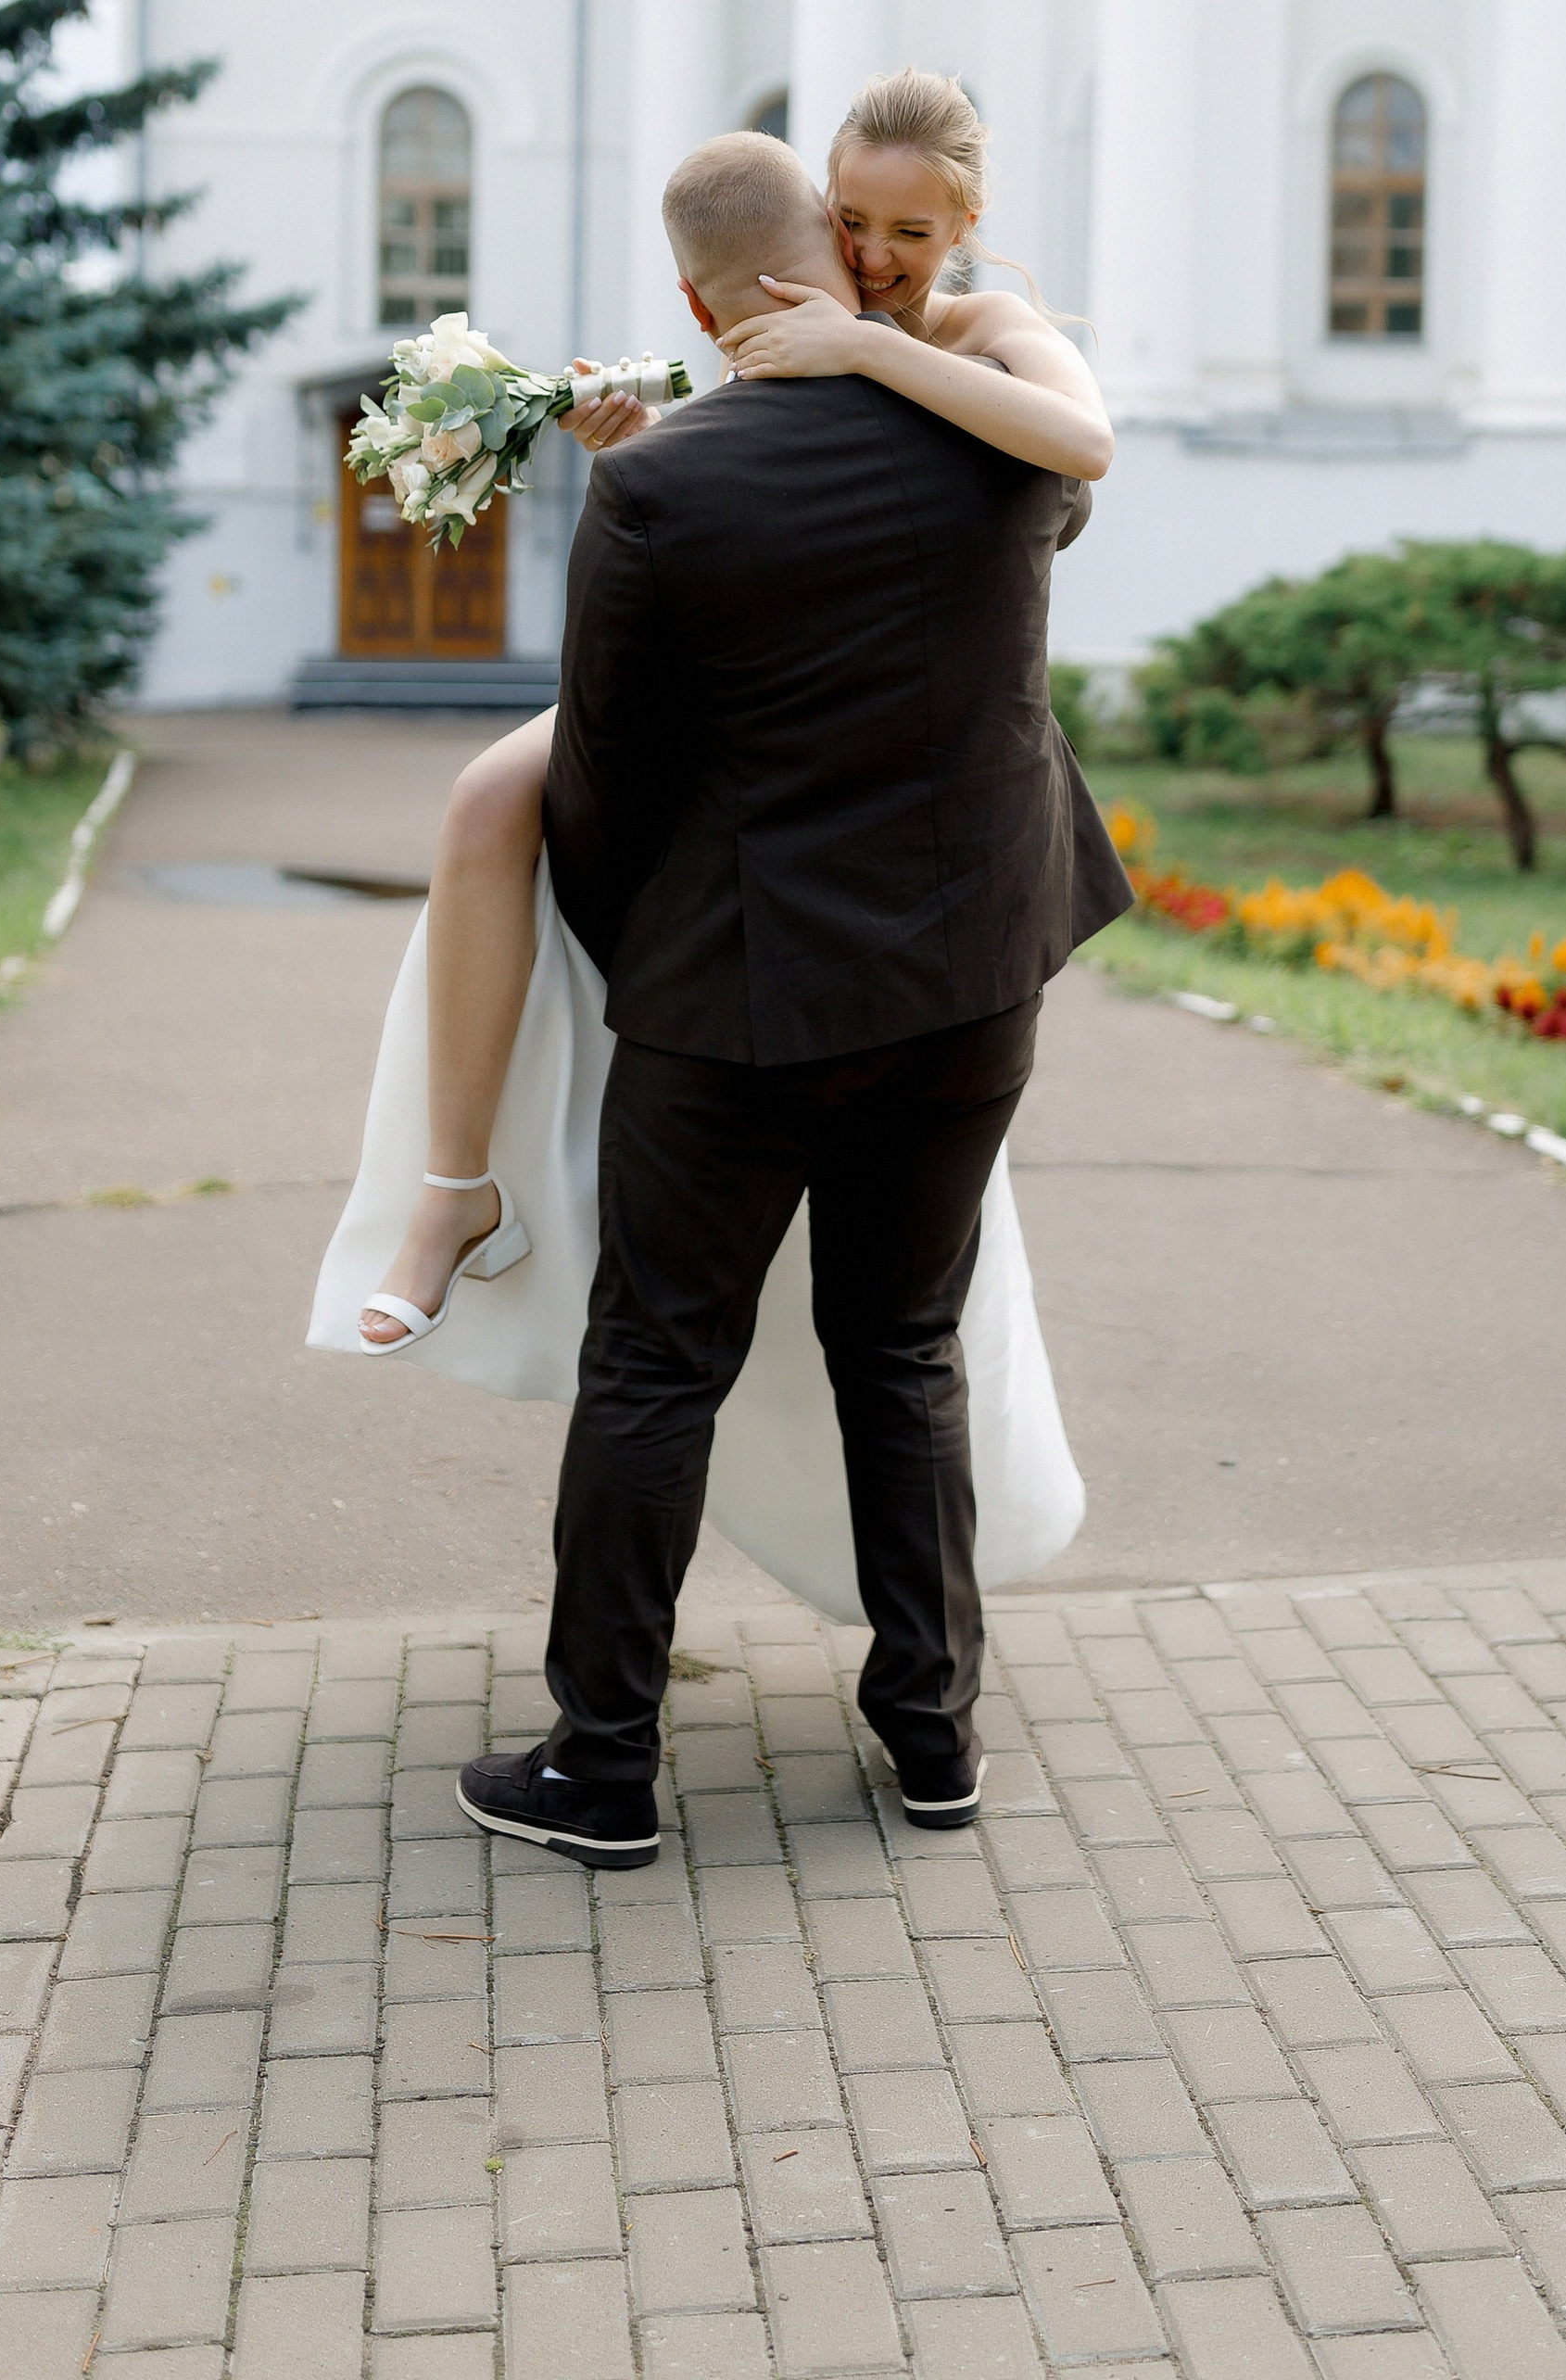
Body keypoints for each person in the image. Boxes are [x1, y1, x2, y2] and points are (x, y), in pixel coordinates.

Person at [442, 123, 1129, 1864]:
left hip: (740, 1000)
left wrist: (646, 956)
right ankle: (935, 1739)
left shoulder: (664, 487)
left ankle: (603, 1773)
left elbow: (600, 785)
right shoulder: (992, 441)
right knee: (902, 1351)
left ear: (694, 295)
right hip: (974, 989)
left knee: (657, 1364)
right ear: (836, 241)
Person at [346, 70, 1107, 1353]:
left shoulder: (987, 333)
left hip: (921, 719)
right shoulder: (805, 313)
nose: (872, 260)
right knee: (485, 797)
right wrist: (633, 447)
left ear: (964, 230)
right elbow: (755, 510)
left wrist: (868, 346)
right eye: (852, 223)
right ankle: (453, 1186)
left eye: (910, 237)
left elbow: (1080, 445)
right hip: (772, 687)